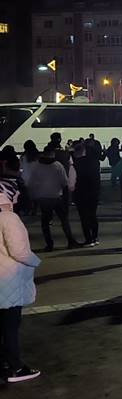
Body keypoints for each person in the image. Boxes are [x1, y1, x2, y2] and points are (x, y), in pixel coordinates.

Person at [0, 148, 42, 383]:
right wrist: (35, 261)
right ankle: (15, 367)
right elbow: (19, 251)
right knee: (11, 326)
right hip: (8, 281)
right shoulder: (9, 218)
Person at [25, 147, 79, 251]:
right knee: (64, 220)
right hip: (56, 196)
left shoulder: (36, 166)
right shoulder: (57, 166)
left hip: (43, 197)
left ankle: (49, 244)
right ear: (52, 154)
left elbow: (31, 183)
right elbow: (64, 182)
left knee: (45, 222)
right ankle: (70, 241)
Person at [71, 142, 102, 247]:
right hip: (94, 192)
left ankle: (88, 239)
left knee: (84, 217)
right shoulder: (94, 162)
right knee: (93, 215)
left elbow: (72, 180)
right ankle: (95, 237)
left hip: (81, 192)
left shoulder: (75, 164)